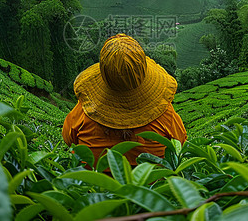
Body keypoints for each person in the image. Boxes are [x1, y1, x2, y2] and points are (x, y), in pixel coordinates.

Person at [62, 33, 187, 165]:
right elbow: (180, 143)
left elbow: (68, 138)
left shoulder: (85, 111)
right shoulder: (165, 114)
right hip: (150, 184)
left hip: (94, 184)